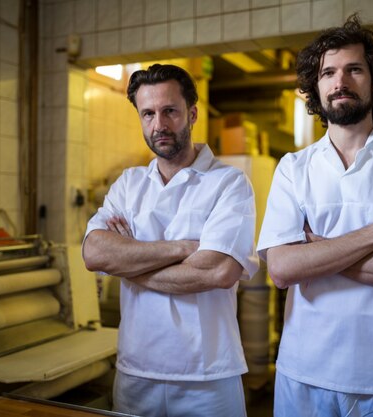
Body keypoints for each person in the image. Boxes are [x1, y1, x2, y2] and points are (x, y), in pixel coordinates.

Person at [256, 14, 373, 417]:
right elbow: (283, 269)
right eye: (328, 72)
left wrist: (319, 249)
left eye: (353, 69)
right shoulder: (294, 167)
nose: (339, 82)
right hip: (304, 373)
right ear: (316, 86)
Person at [82, 63, 259, 417]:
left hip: (208, 376)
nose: (158, 125)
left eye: (169, 112)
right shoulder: (128, 185)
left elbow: (217, 272)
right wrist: (183, 248)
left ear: (192, 114)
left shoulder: (229, 183)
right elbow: (94, 254)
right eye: (147, 114)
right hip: (135, 372)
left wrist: (129, 264)